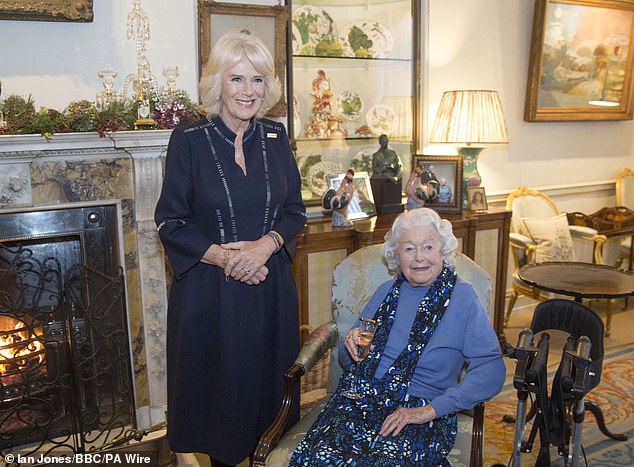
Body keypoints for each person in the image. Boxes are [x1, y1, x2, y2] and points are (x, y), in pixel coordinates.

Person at [154, 29, 306, 467]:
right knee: (222, 405)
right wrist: (228, 258)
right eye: (237, 78)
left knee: (267, 399)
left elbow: (294, 211)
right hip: (210, 293)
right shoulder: (189, 140)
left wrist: (265, 246)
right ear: (217, 83)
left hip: (271, 287)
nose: (248, 90)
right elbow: (170, 221)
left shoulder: (277, 137)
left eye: (258, 80)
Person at [290, 208, 505, 466]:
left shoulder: (463, 298)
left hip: (421, 413)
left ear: (442, 251)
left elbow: (491, 370)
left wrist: (431, 410)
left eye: (427, 247)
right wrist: (352, 347)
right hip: (360, 401)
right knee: (320, 458)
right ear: (396, 256)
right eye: (409, 249)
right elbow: (351, 364)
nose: (419, 258)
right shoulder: (385, 293)